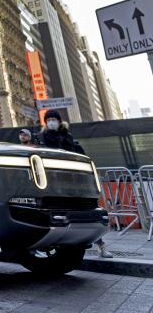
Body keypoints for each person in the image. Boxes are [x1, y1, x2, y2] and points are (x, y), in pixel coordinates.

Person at [38, 110, 113, 258]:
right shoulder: (42, 138)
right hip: (54, 181)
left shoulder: (68, 136)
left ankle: (100, 244)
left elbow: (80, 155)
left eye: (54, 119)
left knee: (86, 211)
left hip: (73, 181)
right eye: (49, 119)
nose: (51, 122)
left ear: (59, 121)